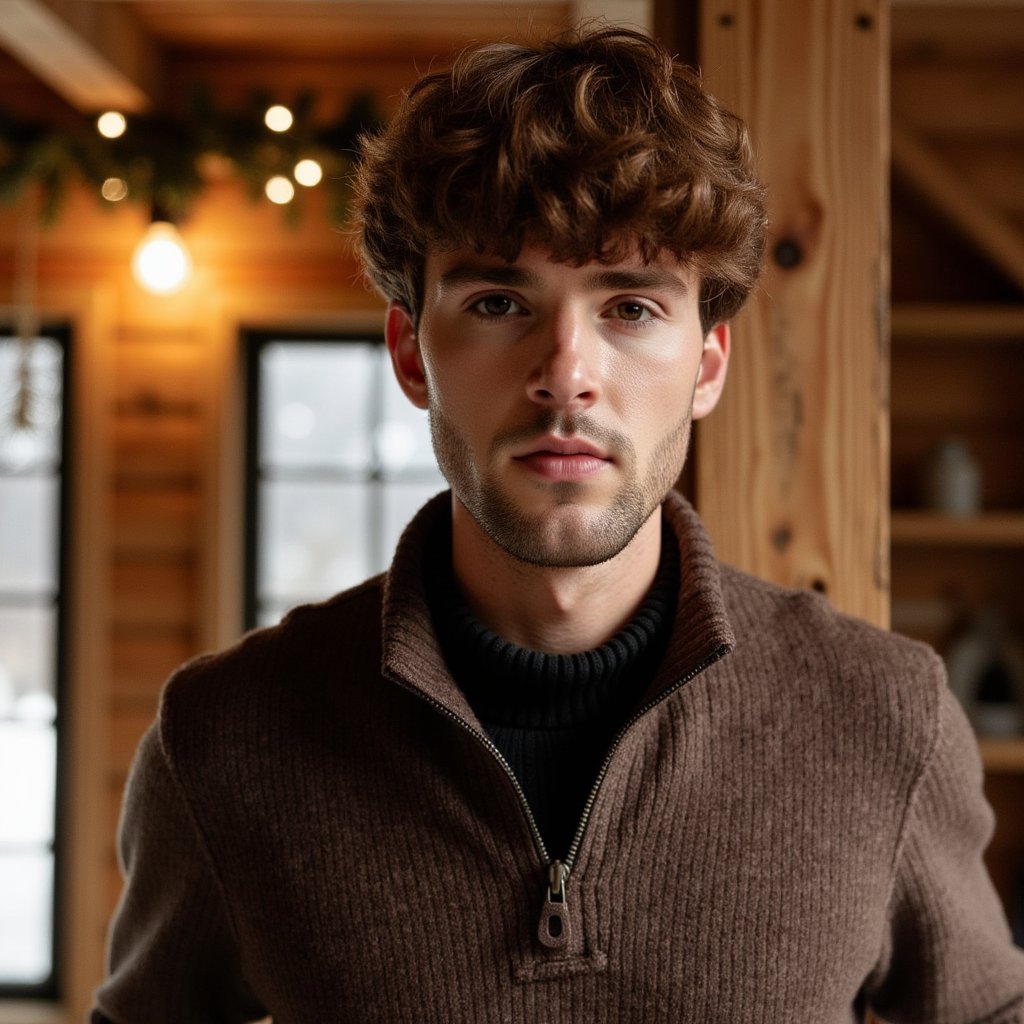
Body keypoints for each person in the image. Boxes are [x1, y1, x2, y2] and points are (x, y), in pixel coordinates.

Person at [92, 26, 1024, 1023]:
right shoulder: (227, 738)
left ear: (707, 364)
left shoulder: (884, 715)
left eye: (628, 308)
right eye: (499, 301)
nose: (565, 373)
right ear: (411, 354)